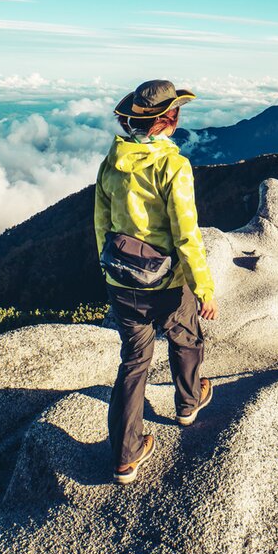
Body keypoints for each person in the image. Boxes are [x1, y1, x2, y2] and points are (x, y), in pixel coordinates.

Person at [94, 79, 219, 485]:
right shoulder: (173, 166)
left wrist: (108, 270)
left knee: (133, 363)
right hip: (166, 281)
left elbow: (102, 224)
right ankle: (187, 403)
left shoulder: (112, 161)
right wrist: (203, 288)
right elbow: (186, 233)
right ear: (171, 117)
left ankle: (125, 457)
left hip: (122, 280)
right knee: (186, 339)